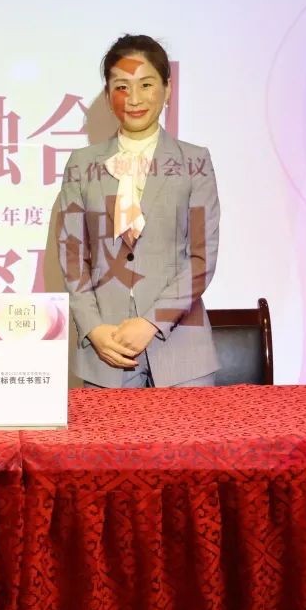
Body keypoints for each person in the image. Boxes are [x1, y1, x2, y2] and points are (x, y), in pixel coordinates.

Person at [56, 34, 220, 388]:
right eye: (121, 87)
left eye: (146, 84)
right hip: (106, 350)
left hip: (182, 351)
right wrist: (93, 328)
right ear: (108, 95)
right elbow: (72, 255)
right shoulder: (81, 164)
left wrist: (151, 322)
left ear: (167, 88)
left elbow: (201, 258)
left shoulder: (195, 161)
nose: (134, 98)